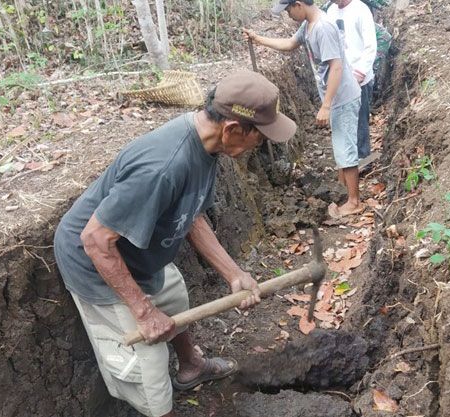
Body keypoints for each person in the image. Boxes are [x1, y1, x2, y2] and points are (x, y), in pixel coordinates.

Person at [53, 70, 297, 417]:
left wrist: (234, 274)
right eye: (260, 137)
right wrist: (143, 311)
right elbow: (95, 240)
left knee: (175, 297)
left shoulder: (209, 147)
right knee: (149, 362)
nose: (261, 145)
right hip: (95, 260)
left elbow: (192, 214)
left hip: (137, 252)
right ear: (232, 129)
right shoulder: (163, 166)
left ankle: (191, 366)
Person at [244, 0, 364, 218]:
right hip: (337, 97)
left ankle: (354, 202)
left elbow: (336, 66)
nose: (288, 14)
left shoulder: (323, 28)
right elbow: (290, 44)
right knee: (340, 144)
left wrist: (326, 105)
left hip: (343, 97)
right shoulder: (308, 25)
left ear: (299, 4)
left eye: (289, 9)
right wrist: (258, 39)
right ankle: (341, 187)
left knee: (345, 147)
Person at [326, 0, 377, 160]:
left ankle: (362, 158)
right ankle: (348, 159)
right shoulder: (331, 11)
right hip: (340, 78)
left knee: (360, 121)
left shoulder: (360, 10)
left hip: (358, 78)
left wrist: (360, 72)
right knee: (344, 122)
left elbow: (370, 46)